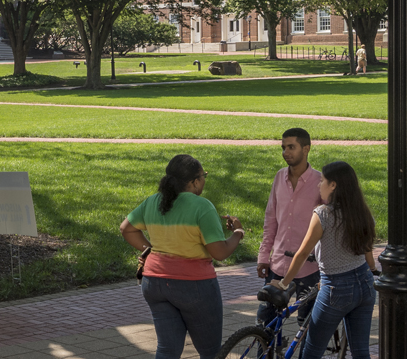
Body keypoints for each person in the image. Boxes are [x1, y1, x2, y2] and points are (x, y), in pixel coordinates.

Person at [121, 154, 244, 359]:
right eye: (203, 176)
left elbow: (126, 229)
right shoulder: (202, 206)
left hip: (155, 283)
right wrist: (238, 233)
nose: (204, 180)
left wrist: (151, 250)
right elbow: (220, 253)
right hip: (194, 287)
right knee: (211, 352)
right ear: (194, 182)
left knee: (168, 350)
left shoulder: (153, 201)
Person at [271, 161, 379, 359]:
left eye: (322, 181)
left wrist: (284, 283)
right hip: (365, 284)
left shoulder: (324, 214)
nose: (318, 185)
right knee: (361, 351)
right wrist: (372, 270)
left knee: (312, 351)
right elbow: (367, 251)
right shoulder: (363, 213)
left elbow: (303, 253)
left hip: (335, 288)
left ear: (334, 185)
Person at [257, 128, 325, 326]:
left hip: (309, 268)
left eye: (291, 147)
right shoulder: (279, 177)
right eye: (283, 147)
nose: (286, 152)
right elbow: (270, 220)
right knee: (264, 325)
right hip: (277, 266)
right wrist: (263, 257)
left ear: (306, 149)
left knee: (306, 328)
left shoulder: (320, 181)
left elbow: (328, 224)